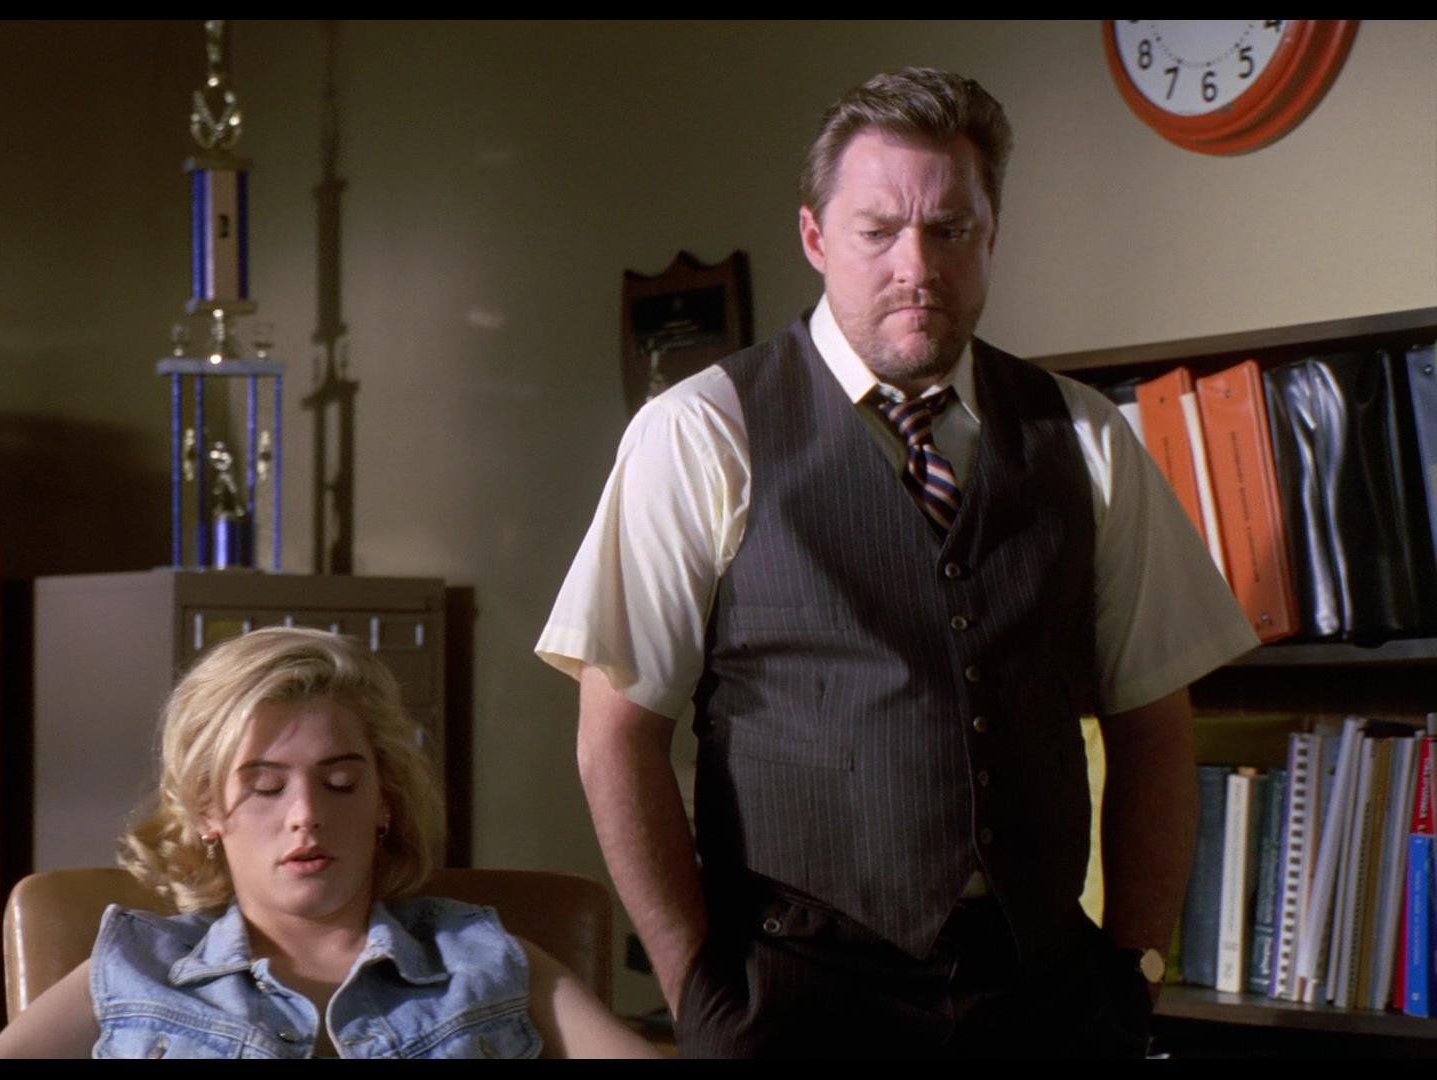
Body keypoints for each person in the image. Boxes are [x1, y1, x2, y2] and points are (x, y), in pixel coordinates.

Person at [537, 67, 1260, 1057]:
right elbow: (614, 740)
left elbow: (1155, 721)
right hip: (793, 995)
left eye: (950, 229)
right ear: (815, 238)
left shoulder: (1085, 436)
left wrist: (1131, 974)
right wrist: (698, 991)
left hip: (1044, 997)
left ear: (992, 235)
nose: (916, 266)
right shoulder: (702, 430)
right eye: (878, 231)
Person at [0, 626, 655, 1059]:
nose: (306, 815)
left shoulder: (485, 959)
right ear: (207, 811)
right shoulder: (136, 967)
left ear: (384, 802)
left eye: (339, 783)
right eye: (266, 787)